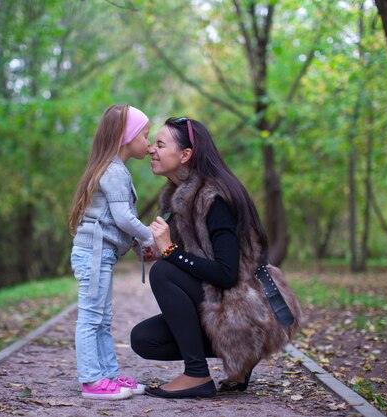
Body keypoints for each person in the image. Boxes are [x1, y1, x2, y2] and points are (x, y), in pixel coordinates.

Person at [130, 117, 301, 399]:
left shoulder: (215, 198)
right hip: (220, 301)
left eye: (160, 144)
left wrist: (170, 251)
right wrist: (156, 248)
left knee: (163, 272)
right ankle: (241, 360)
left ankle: (196, 375)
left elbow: (226, 273)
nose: (151, 150)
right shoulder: (178, 196)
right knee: (144, 339)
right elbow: (189, 257)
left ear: (185, 155)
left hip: (248, 311)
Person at [68, 104, 155, 400]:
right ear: (126, 137)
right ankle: (92, 381)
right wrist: (149, 238)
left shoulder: (115, 169)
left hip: (100, 253)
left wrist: (132, 243)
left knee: (102, 318)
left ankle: (108, 374)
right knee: (91, 317)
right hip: (93, 254)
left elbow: (114, 220)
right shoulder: (114, 171)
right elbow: (123, 219)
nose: (149, 142)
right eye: (145, 135)